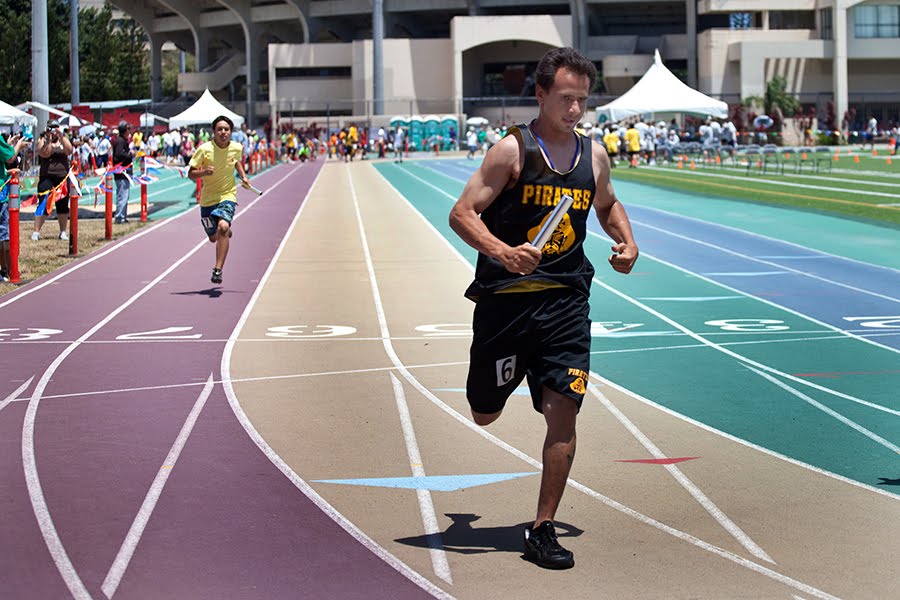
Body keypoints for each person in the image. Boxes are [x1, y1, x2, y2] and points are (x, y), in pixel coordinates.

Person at [448, 46, 638, 570]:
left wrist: (626, 241)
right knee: (484, 413)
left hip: (565, 304)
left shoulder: (594, 155)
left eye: (582, 100)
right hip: (505, 307)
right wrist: (503, 253)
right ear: (540, 94)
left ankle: (542, 527)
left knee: (564, 413)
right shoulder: (511, 152)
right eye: (565, 99)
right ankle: (508, 380)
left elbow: (607, 203)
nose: (575, 110)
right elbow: (462, 214)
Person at [188, 115, 250, 285]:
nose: (223, 132)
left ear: (231, 131)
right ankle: (225, 233)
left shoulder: (237, 147)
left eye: (226, 129)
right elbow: (190, 173)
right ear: (213, 132)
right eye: (219, 129)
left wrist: (243, 176)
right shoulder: (204, 149)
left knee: (223, 226)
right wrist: (203, 172)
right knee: (214, 237)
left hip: (227, 195)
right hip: (208, 200)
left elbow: (235, 161)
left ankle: (218, 269)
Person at [32, 119, 74, 241]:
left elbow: (69, 150)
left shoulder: (62, 140)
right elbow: (45, 153)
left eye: (56, 127)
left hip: (62, 177)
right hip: (47, 177)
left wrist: (61, 136)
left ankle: (62, 232)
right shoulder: (43, 140)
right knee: (44, 204)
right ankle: (36, 231)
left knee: (63, 205)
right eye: (51, 127)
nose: (54, 130)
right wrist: (49, 138)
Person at [1, 132, 30, 280]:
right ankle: (10, 270)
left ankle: (6, 270)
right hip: (2, 195)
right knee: (5, 235)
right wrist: (17, 145)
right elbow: (10, 157)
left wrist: (9, 144)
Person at [112, 121, 134, 224]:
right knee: (122, 195)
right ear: (125, 130)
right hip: (122, 173)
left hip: (125, 172)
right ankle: (119, 217)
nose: (130, 131)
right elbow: (119, 155)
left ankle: (122, 216)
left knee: (125, 195)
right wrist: (130, 154)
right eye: (128, 129)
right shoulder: (120, 141)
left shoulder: (123, 141)